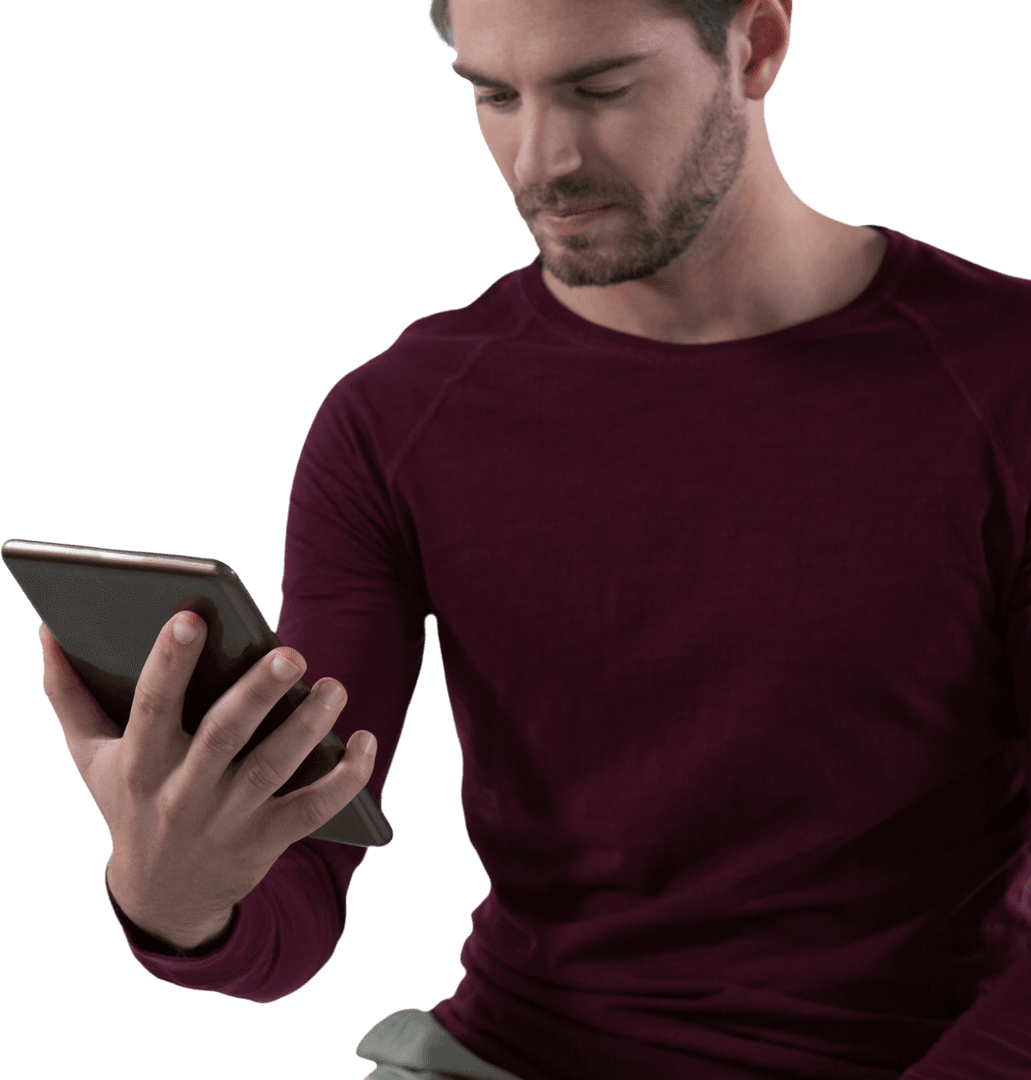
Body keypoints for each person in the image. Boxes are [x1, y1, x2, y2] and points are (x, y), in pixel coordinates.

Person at [38, 0, 1031, 1077]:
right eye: (493, 94)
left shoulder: (999, 382)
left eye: (600, 89)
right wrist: (177, 898)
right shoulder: (395, 420)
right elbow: (294, 915)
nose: (541, 159)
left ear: (754, 46)